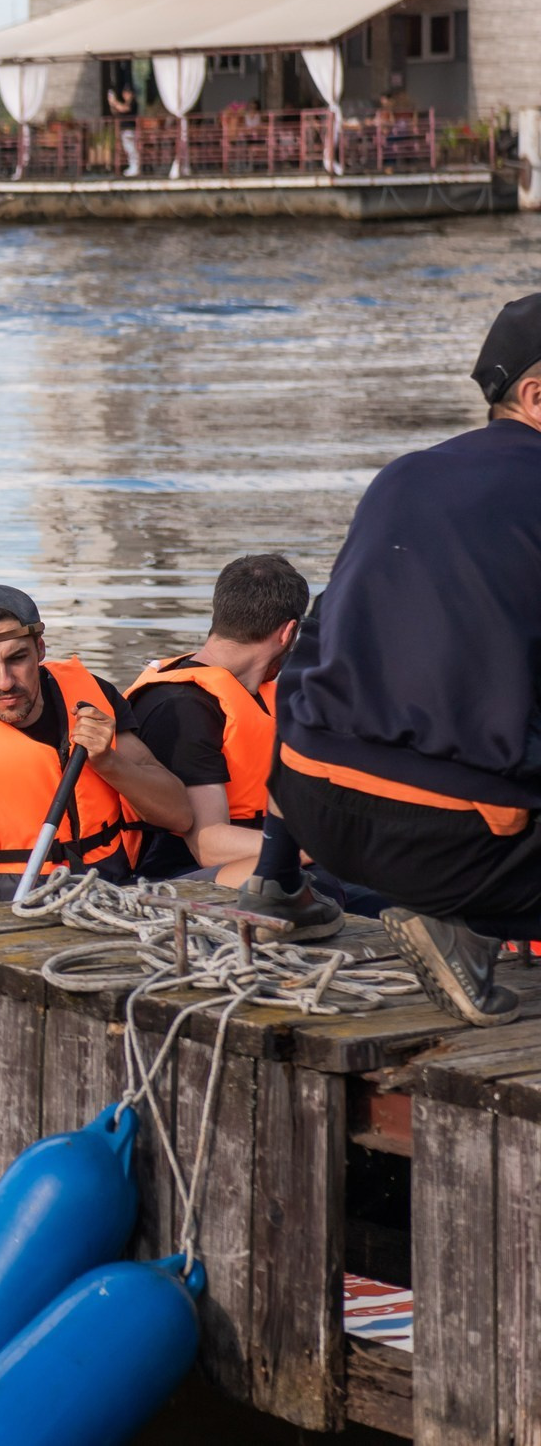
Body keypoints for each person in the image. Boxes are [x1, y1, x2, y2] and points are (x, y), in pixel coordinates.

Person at [268, 296, 541, 1023]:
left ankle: (273, 884)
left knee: (323, 642)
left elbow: (315, 643)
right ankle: (468, 933)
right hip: (455, 849)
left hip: (314, 808)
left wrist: (279, 864)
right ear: (537, 396)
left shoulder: (403, 476)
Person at [0, 585, 193, 913]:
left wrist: (109, 762)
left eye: (17, 658)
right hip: (4, 925)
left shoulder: (93, 699)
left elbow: (179, 815)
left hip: (114, 904)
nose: (4, 681)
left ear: (40, 649)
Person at [125, 554, 309, 881]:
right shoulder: (181, 707)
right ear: (288, 633)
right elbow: (207, 845)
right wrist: (321, 847)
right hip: (184, 880)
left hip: (265, 856)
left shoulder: (254, 693)